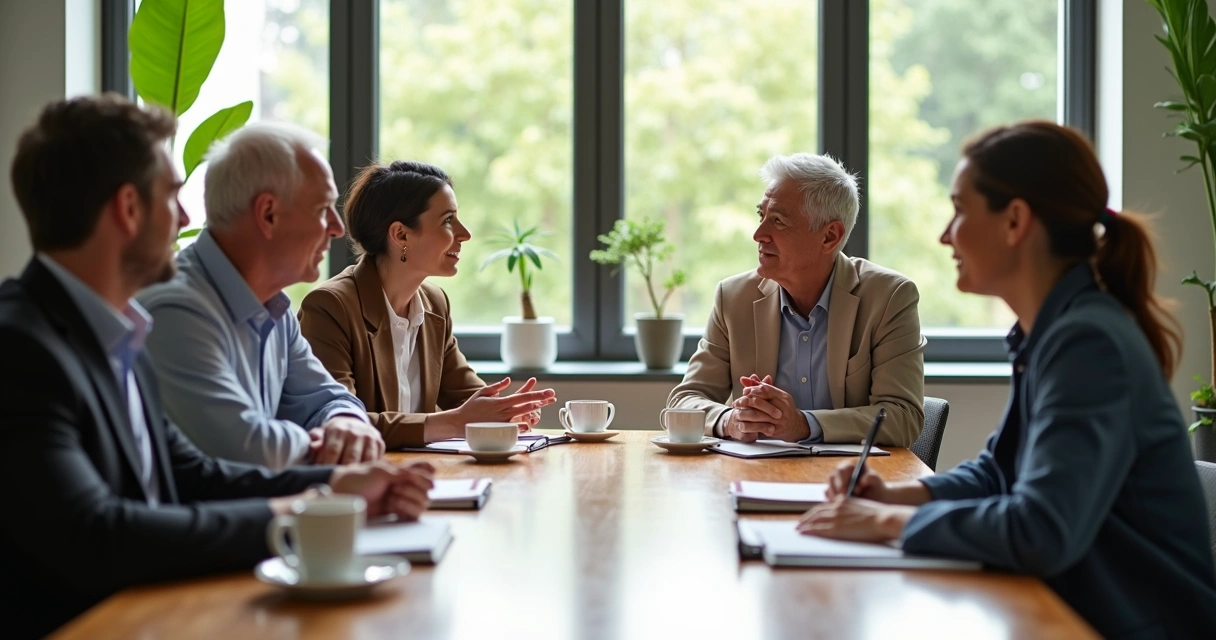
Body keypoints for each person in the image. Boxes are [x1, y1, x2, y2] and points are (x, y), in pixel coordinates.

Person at [0, 94, 435, 639]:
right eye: (172, 197)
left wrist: (338, 484)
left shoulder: (114, 332)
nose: (185, 217)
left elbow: (190, 474)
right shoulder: (20, 348)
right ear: (128, 209)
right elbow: (96, 535)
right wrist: (302, 512)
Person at [800, 121, 1216, 638]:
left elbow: (1039, 530)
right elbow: (998, 474)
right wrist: (891, 496)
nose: (945, 234)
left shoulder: (1088, 342)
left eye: (960, 210)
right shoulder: (1052, 332)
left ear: (1015, 220)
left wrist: (883, 524)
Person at [137, 122, 385, 470]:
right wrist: (328, 445)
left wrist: (347, 424)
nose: (337, 227)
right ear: (268, 214)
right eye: (322, 209)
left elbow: (327, 399)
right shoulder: (175, 311)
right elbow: (244, 450)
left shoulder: (274, 307)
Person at [666, 153, 926, 447]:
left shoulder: (889, 297)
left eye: (778, 221)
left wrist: (802, 425)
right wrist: (731, 421)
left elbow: (903, 418)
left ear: (829, 236)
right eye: (760, 216)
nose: (758, 234)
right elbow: (683, 402)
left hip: (850, 482)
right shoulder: (734, 297)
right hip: (756, 477)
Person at [298, 161, 556, 448]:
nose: (465, 234)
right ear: (401, 235)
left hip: (420, 474)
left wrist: (506, 410)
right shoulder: (329, 307)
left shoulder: (435, 303)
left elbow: (464, 395)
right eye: (448, 220)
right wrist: (453, 422)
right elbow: (339, 424)